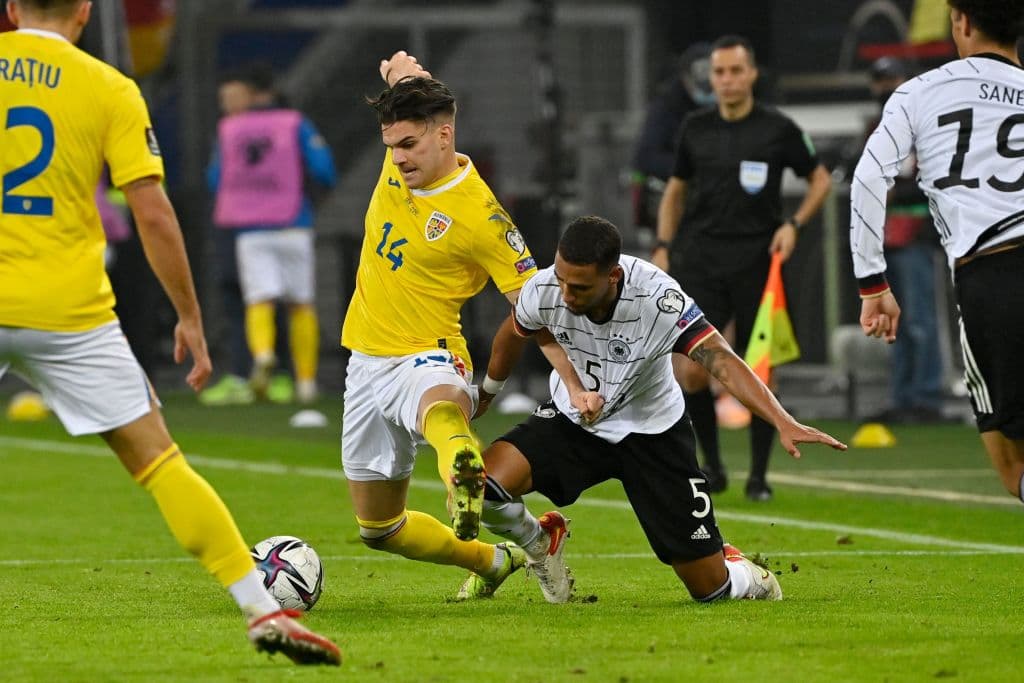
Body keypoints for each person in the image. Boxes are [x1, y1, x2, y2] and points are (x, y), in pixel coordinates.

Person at [0, 0, 339, 665]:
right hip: (70, 310)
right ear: (84, 11)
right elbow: (152, 215)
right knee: (160, 463)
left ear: (11, 9)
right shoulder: (109, 86)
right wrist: (189, 315)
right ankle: (262, 610)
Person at [462, 216, 846, 603]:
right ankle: (541, 542)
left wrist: (782, 420)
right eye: (561, 280)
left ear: (613, 276)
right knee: (480, 487)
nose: (565, 295)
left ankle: (742, 571)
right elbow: (516, 331)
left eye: (579, 287)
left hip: (652, 432)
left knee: (711, 590)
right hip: (576, 422)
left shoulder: (658, 299)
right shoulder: (545, 287)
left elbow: (721, 360)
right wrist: (489, 392)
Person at [339, 51, 542, 596]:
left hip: (429, 351)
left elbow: (535, 305)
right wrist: (400, 73)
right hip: (364, 359)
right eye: (391, 147)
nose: (398, 158)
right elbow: (414, 88)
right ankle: (492, 561)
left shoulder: (483, 216)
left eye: (408, 145)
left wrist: (569, 377)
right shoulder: (404, 157)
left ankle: (461, 464)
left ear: (445, 136)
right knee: (379, 528)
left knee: (440, 411)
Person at [851, 0, 1024, 504]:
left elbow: (869, 178)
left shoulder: (920, 91)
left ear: (961, 22)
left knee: (1013, 463)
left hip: (992, 274)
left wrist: (872, 284)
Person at [653, 34, 832, 501]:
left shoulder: (778, 128)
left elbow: (820, 180)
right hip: (701, 259)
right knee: (694, 371)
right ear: (710, 79)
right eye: (719, 72)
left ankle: (759, 477)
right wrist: (664, 246)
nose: (727, 80)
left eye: (736, 70)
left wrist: (794, 224)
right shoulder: (695, 128)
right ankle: (713, 466)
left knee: (760, 370)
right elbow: (675, 191)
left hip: (759, 263)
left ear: (752, 74)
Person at [207, 62, 337, 405]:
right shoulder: (295, 123)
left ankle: (263, 354)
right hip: (293, 221)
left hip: (249, 228)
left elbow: (215, 179)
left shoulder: (229, 127)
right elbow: (324, 169)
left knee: (259, 299)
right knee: (301, 303)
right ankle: (306, 382)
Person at [862, 57, 946, 424]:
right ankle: (902, 397)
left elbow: (935, 178)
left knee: (920, 321)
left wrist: (897, 189)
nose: (885, 86)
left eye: (892, 78)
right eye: (880, 80)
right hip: (884, 239)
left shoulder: (925, 123)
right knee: (892, 320)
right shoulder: (876, 126)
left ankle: (926, 397)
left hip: (916, 236)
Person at [631, 42, 713, 230]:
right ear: (685, 78)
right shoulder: (666, 107)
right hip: (673, 198)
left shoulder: (725, 104)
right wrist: (691, 168)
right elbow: (646, 157)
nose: (709, 94)